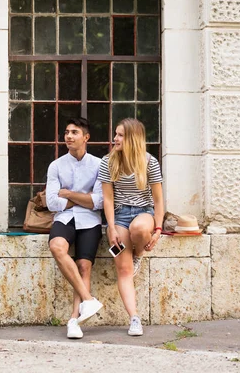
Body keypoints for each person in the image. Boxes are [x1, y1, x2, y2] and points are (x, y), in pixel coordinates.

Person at [98, 118, 163, 336]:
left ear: (133, 138)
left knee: (139, 229)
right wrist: (111, 227)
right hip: (119, 215)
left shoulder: (149, 162)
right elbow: (107, 199)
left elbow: (158, 200)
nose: (115, 139)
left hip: (144, 212)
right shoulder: (108, 162)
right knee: (124, 270)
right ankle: (134, 319)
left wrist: (159, 229)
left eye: (120, 135)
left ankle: (138, 255)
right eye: (115, 134)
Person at [46, 117, 104, 339]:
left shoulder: (99, 165)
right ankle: (89, 301)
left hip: (90, 221)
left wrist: (69, 194)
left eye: (74, 132)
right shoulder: (56, 165)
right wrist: (83, 198)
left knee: (84, 266)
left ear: (86, 137)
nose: (68, 136)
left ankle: (74, 320)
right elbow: (53, 203)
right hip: (64, 218)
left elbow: (98, 202)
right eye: (66, 132)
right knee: (57, 247)